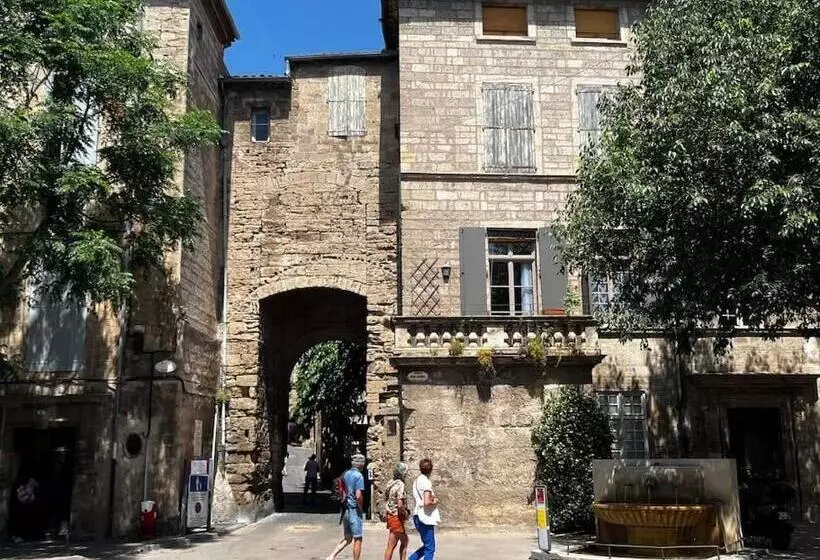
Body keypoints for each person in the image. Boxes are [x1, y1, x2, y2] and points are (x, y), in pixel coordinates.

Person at [327, 454, 366, 560]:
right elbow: (358, 495)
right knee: (358, 538)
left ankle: (331, 556)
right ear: (361, 464)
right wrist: (361, 508)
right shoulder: (359, 476)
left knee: (348, 538)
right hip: (354, 510)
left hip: (345, 511)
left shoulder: (346, 473)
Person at [409, 459, 439, 560]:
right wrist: (435, 501)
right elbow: (426, 502)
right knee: (430, 548)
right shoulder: (426, 482)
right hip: (424, 517)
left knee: (427, 546)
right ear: (431, 469)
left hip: (417, 515)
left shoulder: (417, 481)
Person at [383, 462, 409, 560]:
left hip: (390, 514)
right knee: (393, 545)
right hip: (396, 516)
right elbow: (400, 504)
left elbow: (386, 498)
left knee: (403, 541)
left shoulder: (391, 482)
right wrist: (405, 513)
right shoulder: (400, 485)